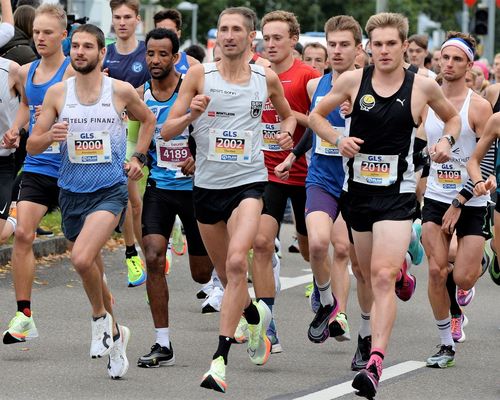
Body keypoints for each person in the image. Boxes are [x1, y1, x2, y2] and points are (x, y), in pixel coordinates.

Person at [309, 12, 461, 399]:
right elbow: (315, 115)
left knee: (378, 275)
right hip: (357, 194)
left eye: (391, 43)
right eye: (377, 44)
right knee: (363, 272)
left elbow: (453, 119)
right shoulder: (352, 80)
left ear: (404, 46)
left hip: (397, 195)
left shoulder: (422, 87)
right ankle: (401, 276)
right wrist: (336, 138)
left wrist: (445, 143)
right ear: (368, 48)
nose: (384, 50)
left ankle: (376, 361)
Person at [161, 6, 295, 393]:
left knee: (239, 262)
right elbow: (167, 130)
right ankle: (255, 317)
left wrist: (286, 135)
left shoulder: (264, 77)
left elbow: (288, 116)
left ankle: (218, 361)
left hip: (249, 184)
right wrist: (191, 116)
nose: (230, 35)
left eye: (237, 29)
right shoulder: (200, 76)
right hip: (206, 188)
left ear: (251, 37)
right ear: (216, 36)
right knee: (226, 274)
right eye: (223, 29)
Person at [26, 23, 155, 379]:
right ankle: (116, 334)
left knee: (82, 258)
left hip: (109, 190)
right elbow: (32, 146)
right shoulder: (57, 94)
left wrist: (138, 158)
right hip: (70, 191)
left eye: (88, 47)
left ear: (101, 52)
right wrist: (48, 134)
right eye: (76, 47)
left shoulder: (121, 90)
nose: (81, 52)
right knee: (92, 270)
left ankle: (99, 320)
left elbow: (148, 120)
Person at [275, 15, 365, 350]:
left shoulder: (369, 85)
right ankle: (329, 304)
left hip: (358, 181)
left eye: (344, 45)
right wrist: (292, 157)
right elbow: (313, 127)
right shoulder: (318, 85)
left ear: (358, 49)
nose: (337, 51)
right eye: (333, 45)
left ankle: (345, 317)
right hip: (322, 176)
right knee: (316, 245)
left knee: (343, 250)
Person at [134, 27, 213, 368]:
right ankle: (162, 342)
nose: (155, 60)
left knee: (201, 273)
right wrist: (137, 158)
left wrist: (200, 156)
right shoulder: (140, 94)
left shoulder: (191, 89)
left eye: (163, 54)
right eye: (150, 53)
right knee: (152, 255)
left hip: (195, 190)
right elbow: (138, 136)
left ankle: (233, 292)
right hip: (160, 188)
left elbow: (213, 131)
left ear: (176, 57)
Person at [2, 3, 73, 345]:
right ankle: (24, 314)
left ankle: (107, 319)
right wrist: (17, 129)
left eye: (48, 32)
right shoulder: (27, 71)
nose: (41, 38)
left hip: (74, 169)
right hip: (37, 164)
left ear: (63, 35)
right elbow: (28, 107)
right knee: (23, 235)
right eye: (37, 32)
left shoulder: (75, 72)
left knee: (82, 254)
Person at [250, 10, 319, 353]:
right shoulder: (253, 74)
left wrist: (292, 120)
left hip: (306, 175)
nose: (271, 43)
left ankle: (321, 291)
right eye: (266, 37)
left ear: (294, 39)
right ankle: (268, 322)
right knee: (261, 244)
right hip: (266, 174)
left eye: (278, 37)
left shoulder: (307, 76)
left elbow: (323, 121)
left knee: (310, 249)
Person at [421, 32, 493, 365]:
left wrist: (464, 197)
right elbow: (417, 144)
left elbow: (487, 158)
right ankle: (445, 342)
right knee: (436, 271)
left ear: (468, 66)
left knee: (462, 275)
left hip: (472, 201)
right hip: (435, 197)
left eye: (457, 59)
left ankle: (477, 267)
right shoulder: (425, 99)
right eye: (444, 58)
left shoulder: (478, 106)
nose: (448, 64)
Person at [103, 0, 148, 287]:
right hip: (114, 134)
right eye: (117, 17)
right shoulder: (103, 54)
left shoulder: (147, 54)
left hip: (144, 129)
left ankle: (156, 247)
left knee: (141, 203)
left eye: (127, 17)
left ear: (137, 20)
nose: (122, 22)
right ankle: (133, 253)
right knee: (128, 198)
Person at [0, 56, 22, 244]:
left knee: (0, 234)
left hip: (3, 161)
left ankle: (14, 216)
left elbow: (30, 106)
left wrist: (18, 131)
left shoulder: (12, 70)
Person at [153, 9, 199, 74]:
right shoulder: (146, 63)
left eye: (170, 32)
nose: (165, 36)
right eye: (160, 31)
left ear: (178, 34)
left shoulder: (192, 64)